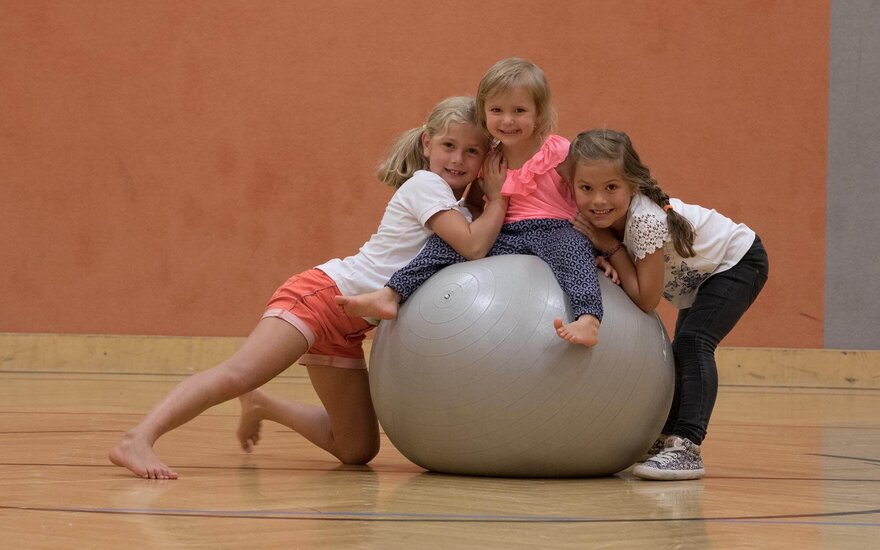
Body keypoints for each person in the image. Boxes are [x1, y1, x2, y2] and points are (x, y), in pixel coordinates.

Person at [108, 96, 509, 479]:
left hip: (349, 324)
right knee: (238, 374)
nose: (458, 159)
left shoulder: (459, 206)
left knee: (356, 449)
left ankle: (264, 404)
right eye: (449, 145)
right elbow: (474, 246)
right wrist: (498, 198)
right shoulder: (425, 186)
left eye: (472, 152)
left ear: (486, 159)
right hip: (321, 297)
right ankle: (137, 439)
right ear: (427, 144)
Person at [338, 58, 605, 347]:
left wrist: (602, 246)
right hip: (505, 233)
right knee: (441, 246)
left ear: (538, 113)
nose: (507, 120)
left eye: (519, 111)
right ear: (484, 113)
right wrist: (481, 219)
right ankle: (390, 294)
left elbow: (588, 193)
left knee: (573, 248)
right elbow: (476, 203)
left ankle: (589, 318)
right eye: (497, 110)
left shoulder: (558, 152)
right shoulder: (489, 160)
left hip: (554, 230)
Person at [566, 128, 769, 480]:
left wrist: (609, 247)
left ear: (632, 184)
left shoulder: (645, 221)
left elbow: (646, 299)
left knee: (694, 343)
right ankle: (667, 439)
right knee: (682, 350)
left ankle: (687, 446)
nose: (598, 200)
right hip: (707, 273)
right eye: (586, 188)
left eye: (611, 187)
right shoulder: (613, 217)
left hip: (737, 261)